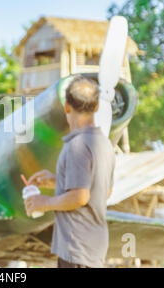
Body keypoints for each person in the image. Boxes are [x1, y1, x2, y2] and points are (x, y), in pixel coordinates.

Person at [24, 76, 115, 268]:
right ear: (97, 106)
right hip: (94, 247)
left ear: (66, 107)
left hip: (76, 250)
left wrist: (44, 203)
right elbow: (104, 191)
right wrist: (58, 180)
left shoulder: (77, 146)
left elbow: (80, 196)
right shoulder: (104, 144)